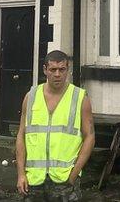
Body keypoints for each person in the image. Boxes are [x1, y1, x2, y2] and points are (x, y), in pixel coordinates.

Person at [16, 50, 95, 201]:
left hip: (64, 180)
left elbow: (90, 136)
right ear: (45, 70)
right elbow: (21, 135)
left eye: (62, 69)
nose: (57, 74)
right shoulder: (30, 97)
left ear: (68, 70)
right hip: (33, 180)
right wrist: (21, 174)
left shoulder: (79, 97)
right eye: (53, 70)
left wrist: (74, 174)